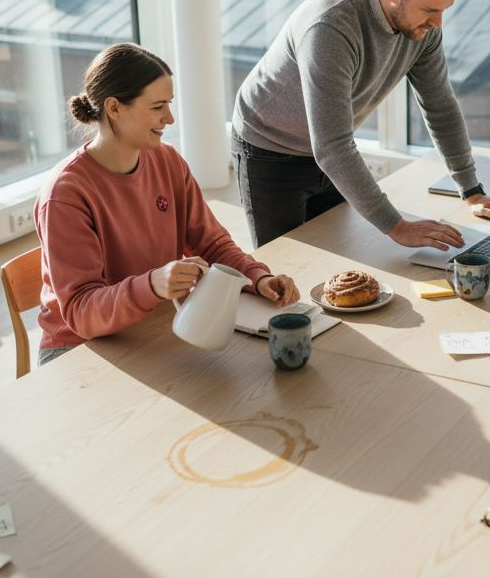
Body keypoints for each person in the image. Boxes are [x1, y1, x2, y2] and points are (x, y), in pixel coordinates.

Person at [231, 0, 490, 248]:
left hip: (328, 151)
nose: (438, 24)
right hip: (269, 150)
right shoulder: (330, 28)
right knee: (284, 271)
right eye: (430, 10)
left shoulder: (424, 29)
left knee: (336, 258)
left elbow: (440, 106)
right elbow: (333, 146)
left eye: (443, 10)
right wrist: (398, 227)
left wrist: (471, 191)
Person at [36, 43, 299, 366]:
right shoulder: (65, 193)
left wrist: (257, 278)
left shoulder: (167, 162)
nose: (170, 118)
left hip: (150, 325)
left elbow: (212, 243)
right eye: (158, 106)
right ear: (114, 108)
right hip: (77, 350)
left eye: (169, 105)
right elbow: (81, 312)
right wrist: (152, 284)